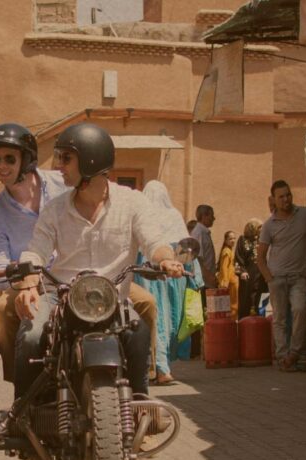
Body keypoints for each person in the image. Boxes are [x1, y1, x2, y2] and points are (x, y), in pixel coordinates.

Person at [14, 123, 186, 398]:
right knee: (32, 334)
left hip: (111, 298)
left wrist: (166, 260)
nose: (59, 166)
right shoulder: (54, 210)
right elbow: (37, 251)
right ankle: (22, 414)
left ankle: (139, 407)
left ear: (91, 159)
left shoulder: (132, 203)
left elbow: (154, 241)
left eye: (66, 158)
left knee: (138, 333)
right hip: (61, 295)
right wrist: (28, 282)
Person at [0, 123, 67, 382]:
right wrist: (22, 278)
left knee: (145, 305)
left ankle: (137, 397)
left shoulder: (63, 185)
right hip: (32, 286)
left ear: (27, 159)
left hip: (78, 272)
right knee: (3, 309)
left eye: (9, 158)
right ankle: (21, 386)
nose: (1, 166)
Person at [257, 180, 306, 371]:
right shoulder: (269, 225)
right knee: (279, 318)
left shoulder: (304, 214)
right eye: (281, 197)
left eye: (288, 195)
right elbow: (260, 257)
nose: (286, 199)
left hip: (298, 277)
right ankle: (282, 357)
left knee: (300, 310)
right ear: (274, 200)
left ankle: (294, 353)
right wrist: (269, 278)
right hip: (277, 278)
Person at [135, 180, 196, 385]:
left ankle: (159, 367)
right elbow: (186, 253)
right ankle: (162, 367)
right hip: (173, 280)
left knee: (155, 320)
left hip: (149, 278)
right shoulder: (174, 216)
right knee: (169, 320)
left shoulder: (144, 217)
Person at [234, 218, 265, 318]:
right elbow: (238, 258)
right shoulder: (242, 240)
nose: (262, 229)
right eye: (259, 227)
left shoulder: (262, 240)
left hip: (261, 276)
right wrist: (241, 272)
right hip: (248, 277)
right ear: (253, 228)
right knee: (246, 301)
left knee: (259, 300)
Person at [190, 204, 217, 289]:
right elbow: (197, 259)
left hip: (206, 281)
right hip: (202, 282)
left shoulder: (204, 232)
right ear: (204, 216)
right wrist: (209, 277)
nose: (214, 218)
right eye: (211, 215)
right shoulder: (199, 233)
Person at [216, 230, 238, 320]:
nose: (233, 240)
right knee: (232, 306)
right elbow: (224, 268)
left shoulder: (229, 250)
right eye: (230, 239)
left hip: (232, 281)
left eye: (234, 238)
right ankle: (232, 324)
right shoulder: (226, 251)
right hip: (229, 284)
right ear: (225, 240)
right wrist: (225, 282)